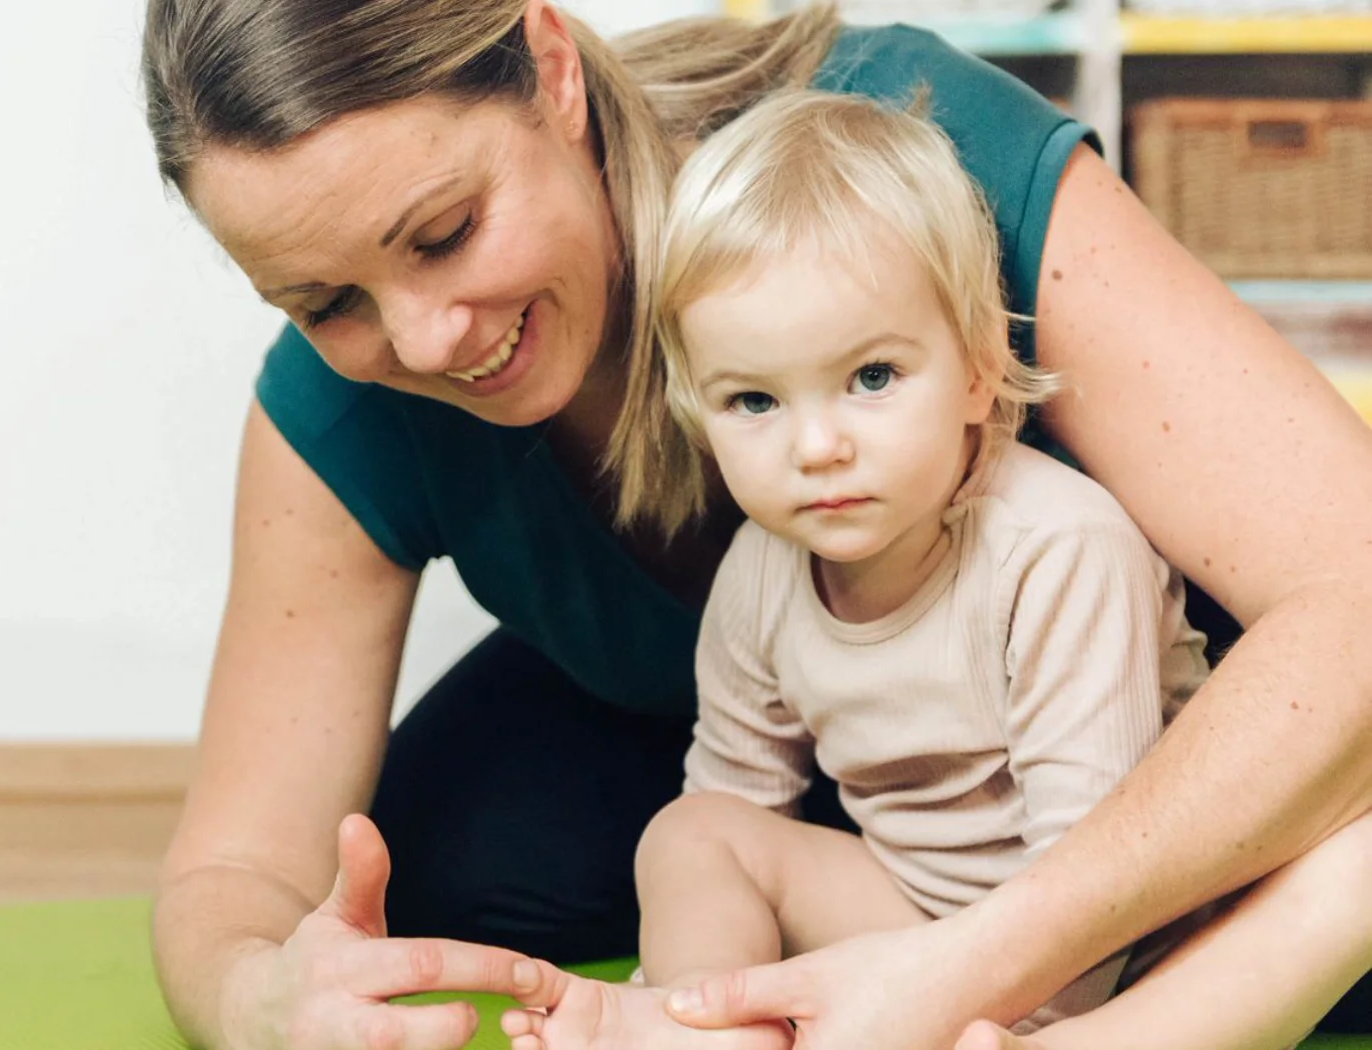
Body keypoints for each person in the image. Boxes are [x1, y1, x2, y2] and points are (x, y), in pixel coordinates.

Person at [139, 1, 1372, 1048]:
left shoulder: (911, 145)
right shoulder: (345, 401)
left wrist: (971, 971)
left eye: (445, 233)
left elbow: (1354, 594)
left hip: (1120, 738)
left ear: (554, 70)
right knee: (415, 889)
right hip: (735, 730)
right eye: (325, 299)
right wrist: (264, 999)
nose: (420, 340)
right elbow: (232, 875)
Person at [498, 85, 1362, 1050]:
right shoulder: (762, 570)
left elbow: (1090, 865)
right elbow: (736, 794)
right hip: (918, 912)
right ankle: (708, 1025)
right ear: (696, 410)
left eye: (871, 378)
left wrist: (942, 998)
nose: (816, 445)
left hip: (1119, 937)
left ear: (979, 367)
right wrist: (714, 966)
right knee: (691, 834)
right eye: (752, 401)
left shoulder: (1056, 550)